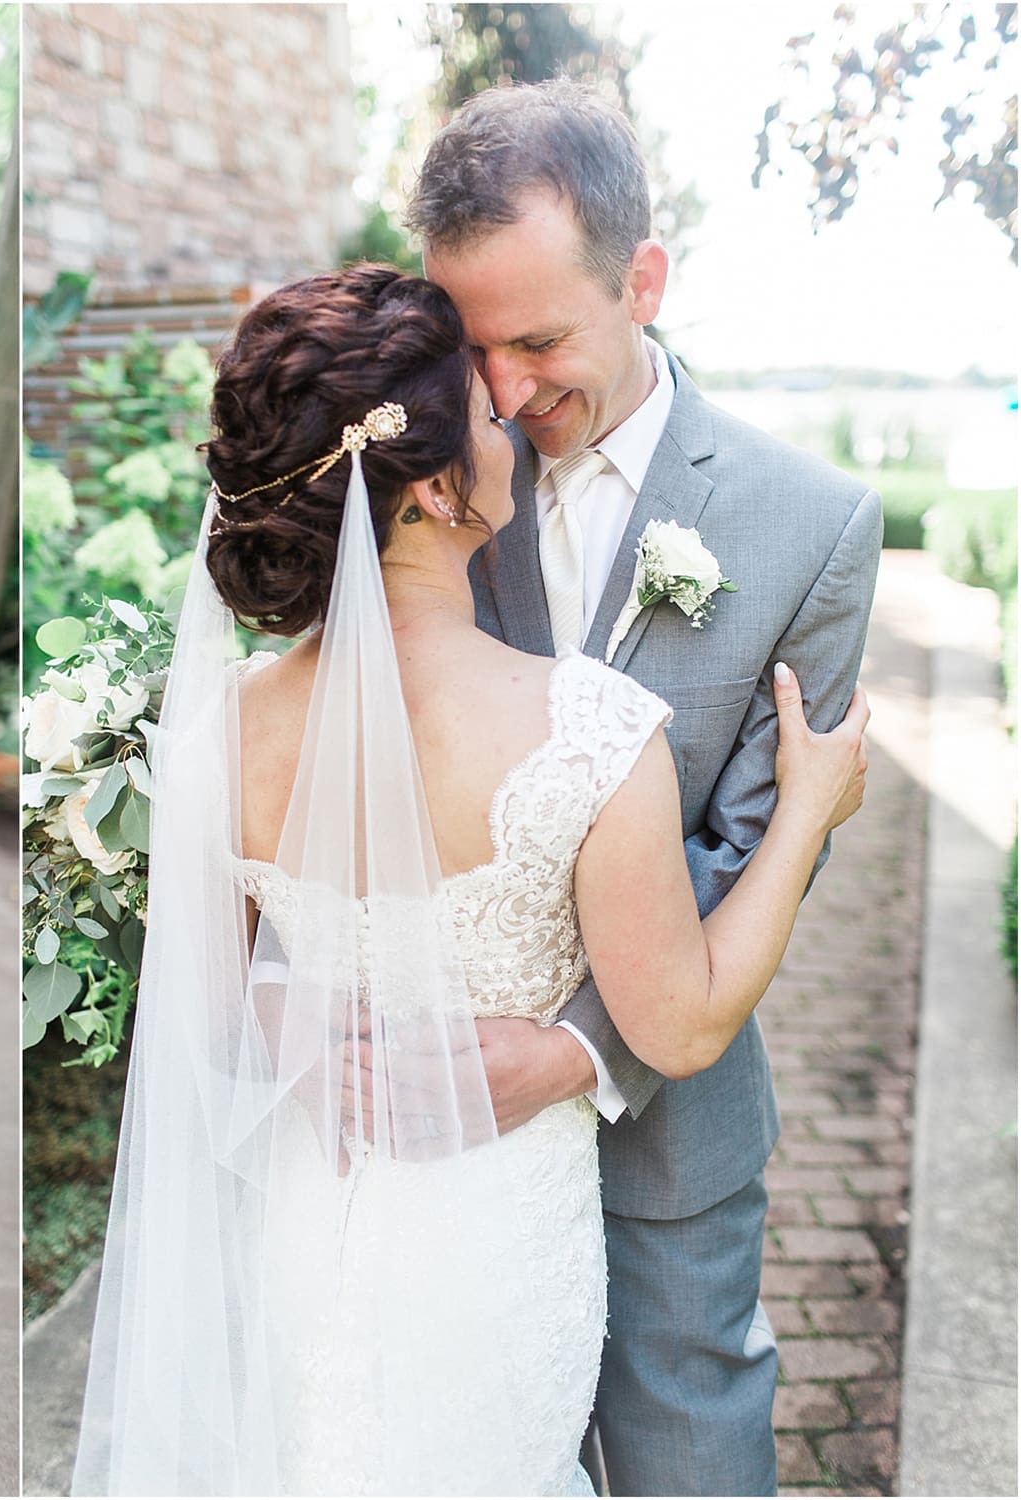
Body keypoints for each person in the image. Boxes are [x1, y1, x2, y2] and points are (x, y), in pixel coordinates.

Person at [69, 262, 871, 1494]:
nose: (507, 411)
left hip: (310, 1226)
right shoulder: (590, 731)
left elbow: (213, 1004)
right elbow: (684, 1017)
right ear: (438, 484)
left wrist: (306, 1012)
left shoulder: (221, 730)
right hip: (493, 1250)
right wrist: (805, 812)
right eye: (481, 412)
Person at [409, 80, 884, 1495]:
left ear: (645, 280)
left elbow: (755, 850)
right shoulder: (417, 484)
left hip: (668, 1130)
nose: (501, 392)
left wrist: (567, 1051)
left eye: (541, 338)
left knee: (688, 1457)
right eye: (469, 345)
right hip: (442, 1151)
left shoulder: (812, 527)